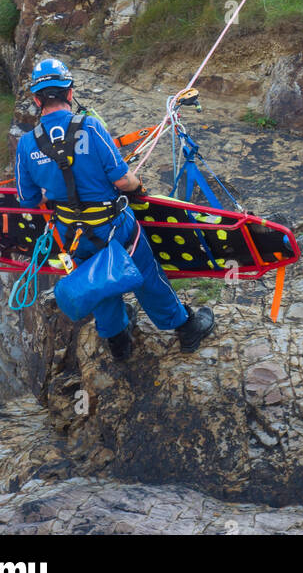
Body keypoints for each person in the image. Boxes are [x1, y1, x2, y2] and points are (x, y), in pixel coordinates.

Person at [15, 58, 215, 361]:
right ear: (69, 93)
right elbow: (122, 179)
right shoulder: (91, 127)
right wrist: (139, 189)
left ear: (36, 99)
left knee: (99, 279)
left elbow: (27, 200)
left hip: (69, 234)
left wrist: (52, 186)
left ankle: (118, 341)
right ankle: (185, 327)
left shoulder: (27, 144)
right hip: (113, 227)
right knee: (146, 274)